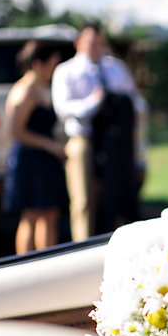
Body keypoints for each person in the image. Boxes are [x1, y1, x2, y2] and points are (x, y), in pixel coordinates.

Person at [52, 22, 148, 240]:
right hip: (84, 138)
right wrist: (93, 103)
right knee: (84, 199)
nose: (95, 47)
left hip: (115, 140)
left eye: (98, 42)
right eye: (89, 42)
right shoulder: (67, 71)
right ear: (78, 43)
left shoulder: (115, 67)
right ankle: (82, 245)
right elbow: (63, 109)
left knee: (116, 196)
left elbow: (135, 100)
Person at [2, 41, 67, 254]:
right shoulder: (24, 92)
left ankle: (47, 261)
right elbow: (16, 132)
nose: (53, 70)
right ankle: (26, 264)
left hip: (45, 159)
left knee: (50, 213)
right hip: (30, 159)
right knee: (31, 215)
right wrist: (49, 145)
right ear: (38, 64)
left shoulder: (42, 89)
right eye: (51, 65)